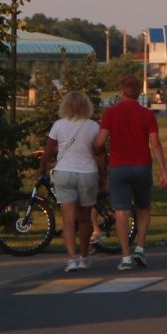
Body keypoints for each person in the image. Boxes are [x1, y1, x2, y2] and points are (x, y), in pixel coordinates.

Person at [98, 74, 167, 270]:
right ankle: (140, 246)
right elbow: (155, 144)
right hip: (141, 166)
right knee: (143, 207)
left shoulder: (111, 113)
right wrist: (163, 171)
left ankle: (125, 257)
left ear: (122, 91)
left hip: (118, 167)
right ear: (139, 94)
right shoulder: (147, 115)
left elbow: (99, 141)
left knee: (121, 212)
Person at [42, 89, 105, 272]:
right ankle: (85, 257)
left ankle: (72, 259)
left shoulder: (58, 125)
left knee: (68, 220)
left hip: (64, 173)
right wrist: (103, 175)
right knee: (85, 219)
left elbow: (48, 150)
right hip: (87, 173)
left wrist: (42, 166)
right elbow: (101, 153)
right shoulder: (94, 126)